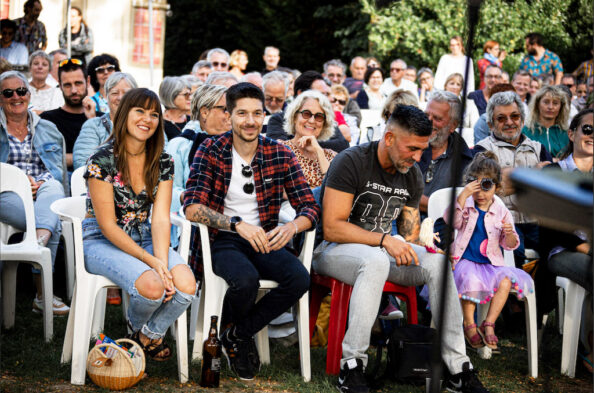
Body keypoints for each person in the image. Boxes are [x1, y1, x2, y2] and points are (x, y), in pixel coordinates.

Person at [313, 104, 490, 393]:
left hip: (382, 254)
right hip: (333, 250)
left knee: (437, 264)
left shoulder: (411, 174)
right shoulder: (352, 161)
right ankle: (352, 365)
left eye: (423, 149)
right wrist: (385, 240)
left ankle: (459, 368)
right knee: (374, 261)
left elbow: (408, 235)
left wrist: (428, 246)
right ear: (390, 137)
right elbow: (333, 227)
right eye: (412, 149)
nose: (418, 157)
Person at [184, 82, 319, 380]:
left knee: (299, 278)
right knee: (245, 280)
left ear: (265, 115)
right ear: (229, 115)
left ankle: (236, 334)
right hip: (224, 239)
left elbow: (310, 207)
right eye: (242, 113)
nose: (250, 121)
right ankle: (239, 337)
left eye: (257, 113)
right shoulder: (211, 148)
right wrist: (236, 225)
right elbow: (193, 207)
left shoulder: (279, 153)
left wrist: (292, 227)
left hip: (265, 237)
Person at [82, 87, 196, 361]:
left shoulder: (163, 161)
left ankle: (142, 336)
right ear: (124, 114)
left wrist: (161, 260)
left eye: (154, 114)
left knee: (186, 286)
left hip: (146, 235)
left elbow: (160, 218)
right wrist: (153, 263)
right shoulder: (102, 160)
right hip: (102, 239)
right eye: (140, 111)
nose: (148, 119)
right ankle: (142, 332)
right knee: (153, 288)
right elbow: (108, 226)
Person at [444, 152, 533, 351]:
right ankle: (469, 323)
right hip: (464, 260)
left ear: (497, 187)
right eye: (475, 185)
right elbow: (452, 221)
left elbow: (510, 244)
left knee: (505, 281)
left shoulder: (501, 210)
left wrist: (509, 234)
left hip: (490, 264)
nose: (480, 193)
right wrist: (463, 195)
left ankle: (489, 322)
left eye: (486, 186)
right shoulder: (466, 203)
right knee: (470, 279)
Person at [0, 71, 68, 315]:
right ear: (0, 98)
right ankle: (43, 295)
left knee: (54, 186)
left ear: (29, 94)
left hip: (45, 190)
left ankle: (37, 241)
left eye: (21, 91)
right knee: (52, 224)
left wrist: (41, 185)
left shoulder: (49, 128)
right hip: (7, 194)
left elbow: (58, 171)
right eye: (8, 93)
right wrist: (19, 182)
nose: (15, 96)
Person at [474, 91, 553, 267]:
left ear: (522, 120)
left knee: (556, 251)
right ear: (490, 124)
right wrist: (534, 175)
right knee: (512, 254)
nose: (509, 122)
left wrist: (505, 179)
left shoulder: (538, 149)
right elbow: (484, 189)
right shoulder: (482, 150)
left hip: (537, 221)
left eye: (514, 116)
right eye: (501, 118)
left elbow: (550, 188)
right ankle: (514, 295)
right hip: (500, 222)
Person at [542, 108, 593, 370]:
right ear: (572, 134)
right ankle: (590, 351)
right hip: (562, 251)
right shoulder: (554, 172)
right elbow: (551, 225)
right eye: (588, 129)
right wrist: (586, 247)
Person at [169, 84, 229, 218]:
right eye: (225, 109)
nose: (230, 115)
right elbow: (168, 192)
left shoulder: (238, 141)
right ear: (205, 112)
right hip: (191, 220)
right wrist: (192, 197)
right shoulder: (180, 145)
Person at [266, 71, 350, 152]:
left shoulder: (325, 119)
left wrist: (312, 144)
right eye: (321, 95)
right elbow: (277, 149)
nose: (328, 99)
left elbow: (343, 145)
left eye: (327, 94)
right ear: (301, 94)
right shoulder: (278, 119)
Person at [419, 91, 472, 215]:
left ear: (452, 125)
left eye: (437, 118)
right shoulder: (407, 144)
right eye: (426, 115)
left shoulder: (464, 158)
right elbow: (398, 193)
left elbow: (462, 206)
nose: (428, 121)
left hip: (444, 227)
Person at [73, 72, 138, 169]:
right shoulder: (93, 126)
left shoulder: (146, 124)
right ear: (106, 97)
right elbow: (82, 164)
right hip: (102, 182)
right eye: (114, 93)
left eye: (126, 93)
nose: (120, 98)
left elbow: (162, 160)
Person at [41, 58, 93, 171]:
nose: (74, 90)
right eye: (68, 85)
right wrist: (87, 157)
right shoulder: (48, 119)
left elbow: (110, 155)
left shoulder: (101, 119)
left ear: (88, 82)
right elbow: (49, 158)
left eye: (78, 83)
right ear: (60, 85)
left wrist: (92, 120)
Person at [280, 90, 337, 188]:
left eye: (319, 116)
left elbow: (336, 190)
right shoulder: (280, 149)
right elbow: (280, 190)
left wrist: (319, 152)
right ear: (294, 117)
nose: (311, 120)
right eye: (306, 114)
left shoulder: (332, 157)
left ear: (324, 124)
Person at [522, 85, 570, 158]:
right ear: (537, 104)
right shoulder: (526, 131)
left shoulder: (567, 133)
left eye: (555, 103)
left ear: (561, 107)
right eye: (546, 102)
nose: (550, 107)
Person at [444, 73, 479, 145]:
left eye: (458, 84)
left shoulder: (469, 104)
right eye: (452, 83)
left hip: (463, 142)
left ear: (461, 88)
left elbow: (475, 127)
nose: (454, 87)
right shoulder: (437, 103)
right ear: (445, 86)